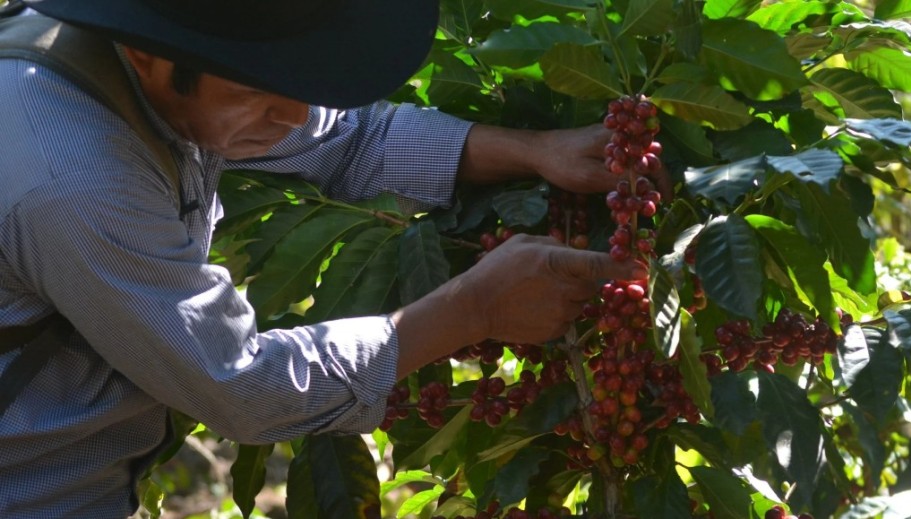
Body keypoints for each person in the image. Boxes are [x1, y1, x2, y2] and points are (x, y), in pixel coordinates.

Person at [0, 0, 658, 516]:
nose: (293, 113)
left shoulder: (158, 53)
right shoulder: (72, 176)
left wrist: (535, 150)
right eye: (262, 87)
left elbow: (350, 139)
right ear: (147, 52)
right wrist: (475, 307)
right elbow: (243, 386)